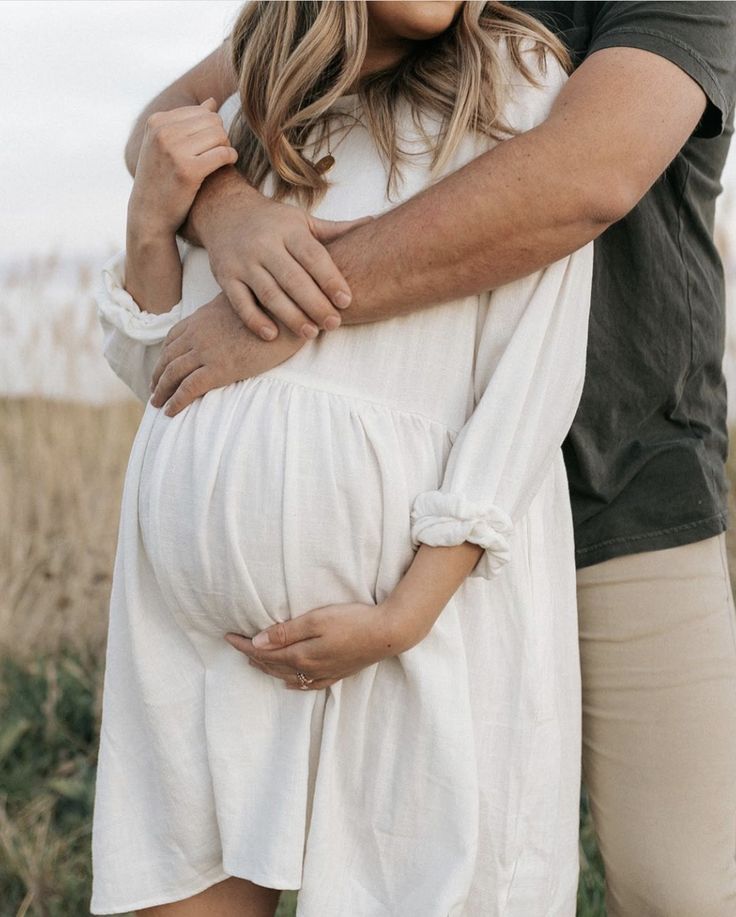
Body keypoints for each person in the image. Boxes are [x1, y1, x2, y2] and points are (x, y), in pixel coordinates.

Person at [130, 3, 736, 914]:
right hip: (399, 512)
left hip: (622, 481)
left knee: (679, 885)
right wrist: (228, 211)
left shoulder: (570, 36)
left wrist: (290, 305)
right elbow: (169, 121)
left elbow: (583, 177)